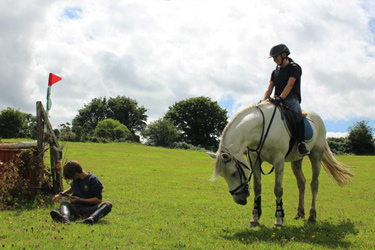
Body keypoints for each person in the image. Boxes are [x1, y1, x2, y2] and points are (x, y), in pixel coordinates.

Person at [263, 44, 310, 156]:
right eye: (273, 58)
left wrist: (281, 98)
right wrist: (263, 101)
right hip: (277, 99)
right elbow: (269, 88)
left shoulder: (294, 68)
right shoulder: (275, 72)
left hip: (291, 98)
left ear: (284, 55)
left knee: (296, 114)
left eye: (276, 57)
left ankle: (301, 143)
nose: (275, 60)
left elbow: (290, 85)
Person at [50, 160, 112, 225]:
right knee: (64, 204)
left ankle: (91, 219)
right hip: (76, 207)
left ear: (76, 174)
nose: (72, 180)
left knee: (107, 204)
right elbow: (72, 188)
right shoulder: (76, 179)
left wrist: (81, 200)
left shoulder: (93, 180)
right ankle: (65, 218)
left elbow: (98, 200)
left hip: (90, 209)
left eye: (72, 178)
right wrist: (61, 194)